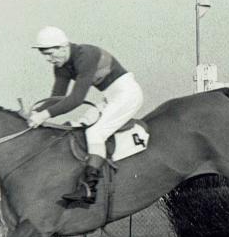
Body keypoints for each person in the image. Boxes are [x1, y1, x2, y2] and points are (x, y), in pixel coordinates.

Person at [28, 26, 144, 203]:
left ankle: (89, 189)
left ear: (64, 47)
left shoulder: (85, 55)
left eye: (51, 54)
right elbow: (57, 98)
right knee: (80, 124)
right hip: (110, 96)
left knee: (94, 133)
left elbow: (75, 99)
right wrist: (34, 113)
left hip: (127, 93)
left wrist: (43, 115)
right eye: (44, 55)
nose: (48, 59)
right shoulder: (61, 67)